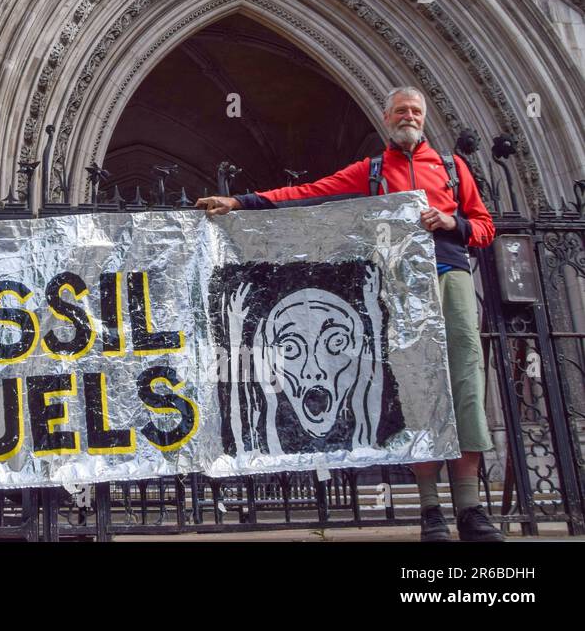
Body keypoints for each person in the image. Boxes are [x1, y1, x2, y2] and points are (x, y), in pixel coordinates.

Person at [196, 86, 501, 542]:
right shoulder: (372, 172)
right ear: (387, 118)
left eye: (415, 111)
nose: (408, 117)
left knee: (465, 386)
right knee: (417, 392)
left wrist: (452, 223)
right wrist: (242, 202)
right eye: (400, 110)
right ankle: (431, 511)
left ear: (425, 117)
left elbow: (486, 227)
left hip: (449, 277)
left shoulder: (454, 170)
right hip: (400, 287)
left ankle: (471, 510)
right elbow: (310, 193)